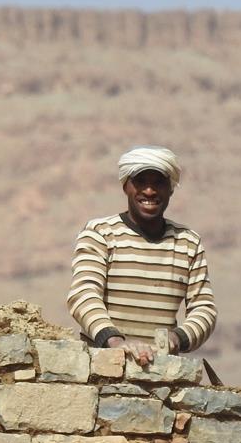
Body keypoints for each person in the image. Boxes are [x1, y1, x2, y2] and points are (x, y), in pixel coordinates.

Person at [67, 146, 217, 366]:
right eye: (140, 182)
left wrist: (177, 338)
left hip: (162, 374)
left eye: (158, 183)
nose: (149, 191)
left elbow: (204, 308)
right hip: (103, 370)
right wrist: (115, 341)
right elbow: (83, 295)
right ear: (126, 186)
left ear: (171, 188)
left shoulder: (188, 242)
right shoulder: (101, 233)